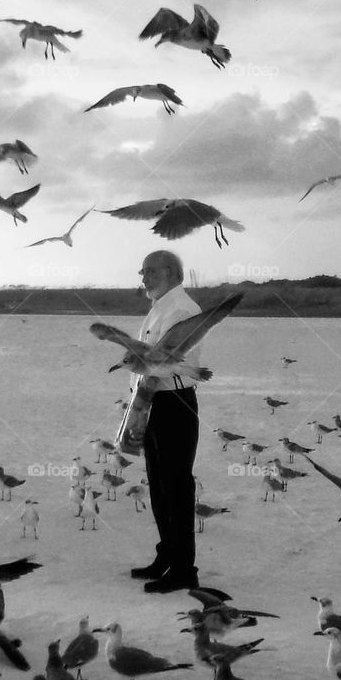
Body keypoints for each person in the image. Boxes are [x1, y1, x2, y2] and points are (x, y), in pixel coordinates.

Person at [129, 250, 202, 594]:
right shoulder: (160, 306)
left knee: (176, 487)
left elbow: (167, 362)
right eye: (143, 272)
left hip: (173, 403)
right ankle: (167, 556)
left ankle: (184, 569)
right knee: (158, 486)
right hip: (152, 400)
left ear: (172, 272)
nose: (144, 278)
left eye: (151, 272)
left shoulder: (182, 309)